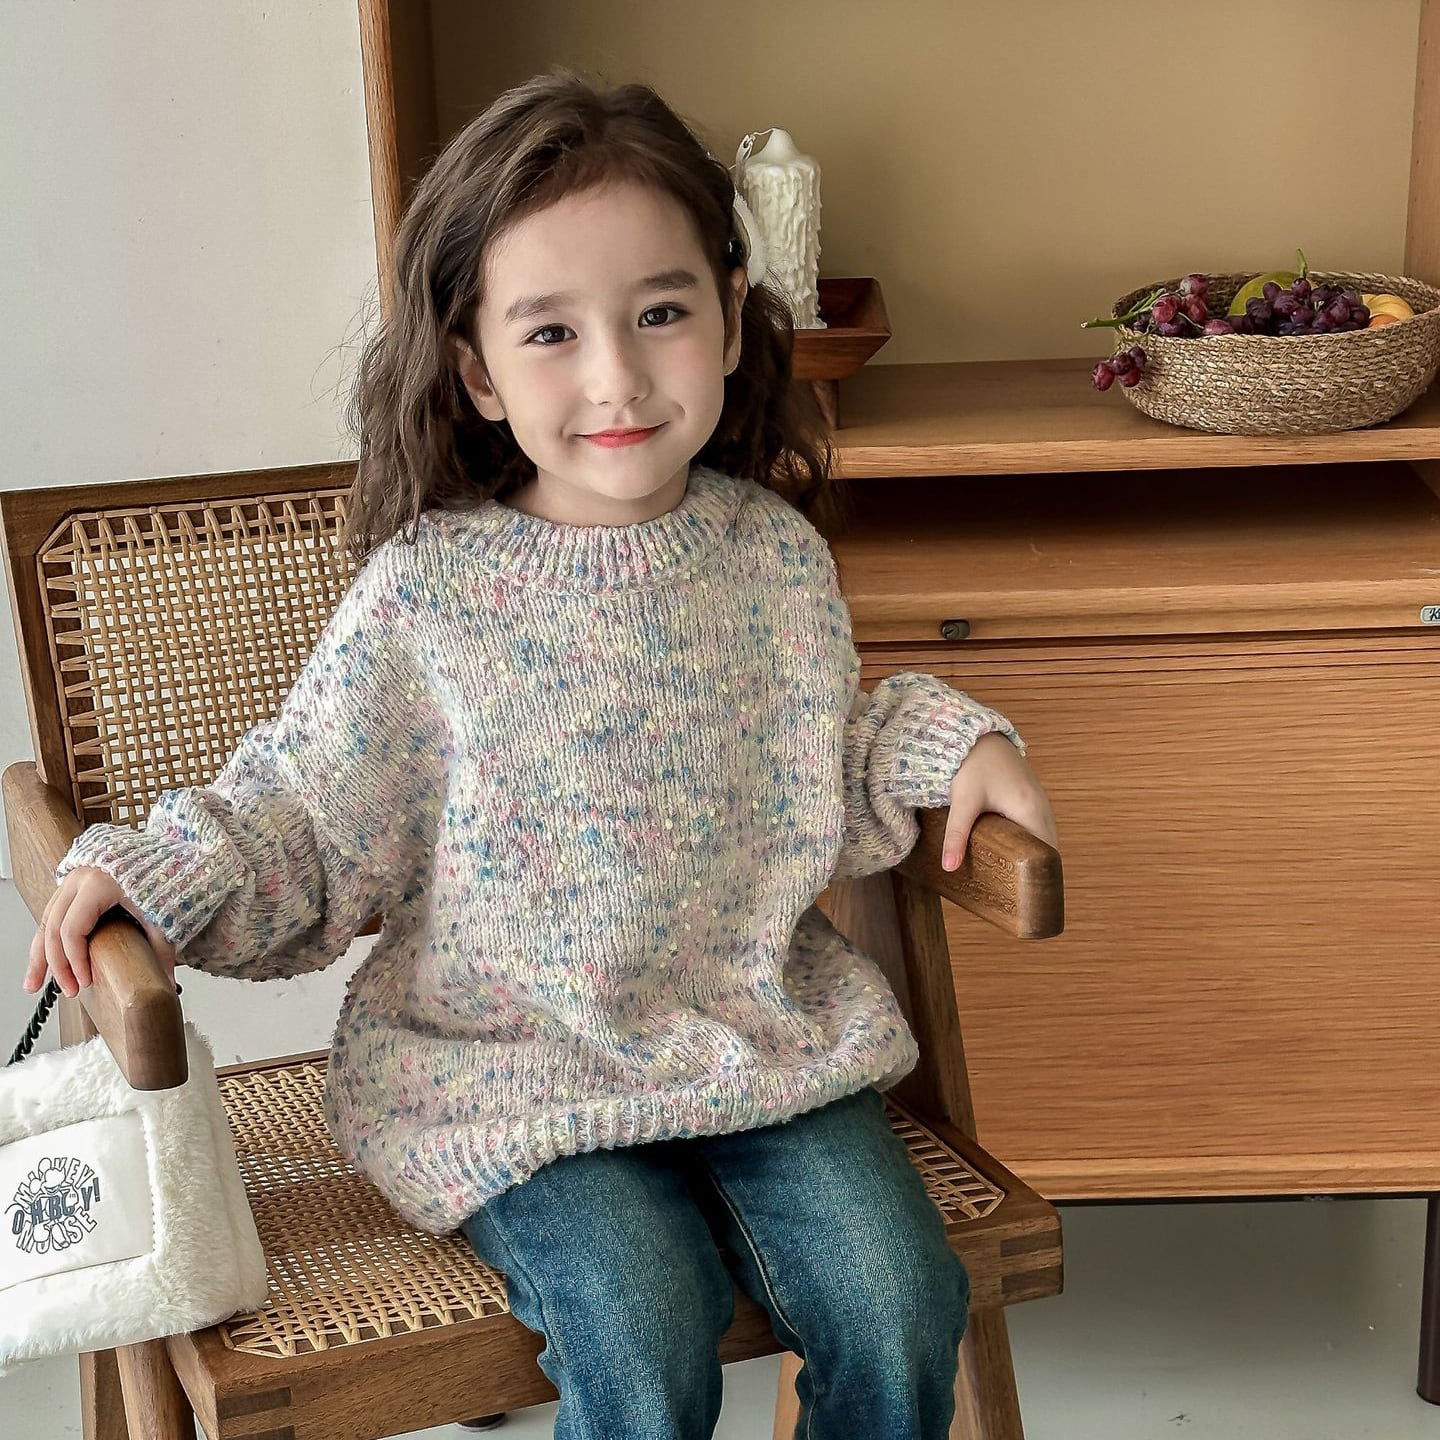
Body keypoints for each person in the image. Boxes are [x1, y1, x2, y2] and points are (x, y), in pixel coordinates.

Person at [24, 71, 1059, 1440]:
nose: (616, 376)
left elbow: (817, 748)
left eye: (661, 314)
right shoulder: (431, 594)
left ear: (732, 315)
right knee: (642, 1331)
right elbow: (308, 811)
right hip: (506, 1072)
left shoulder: (770, 557)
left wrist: (951, 740)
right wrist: (160, 873)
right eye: (552, 332)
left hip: (754, 1044)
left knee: (897, 1298)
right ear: (476, 369)